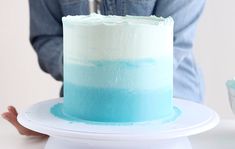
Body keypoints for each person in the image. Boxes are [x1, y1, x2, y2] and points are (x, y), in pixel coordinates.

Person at [1, 0, 206, 137]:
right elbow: (46, 37)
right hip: (82, 116)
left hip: (172, 115)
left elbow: (170, 41)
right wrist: (57, 129)